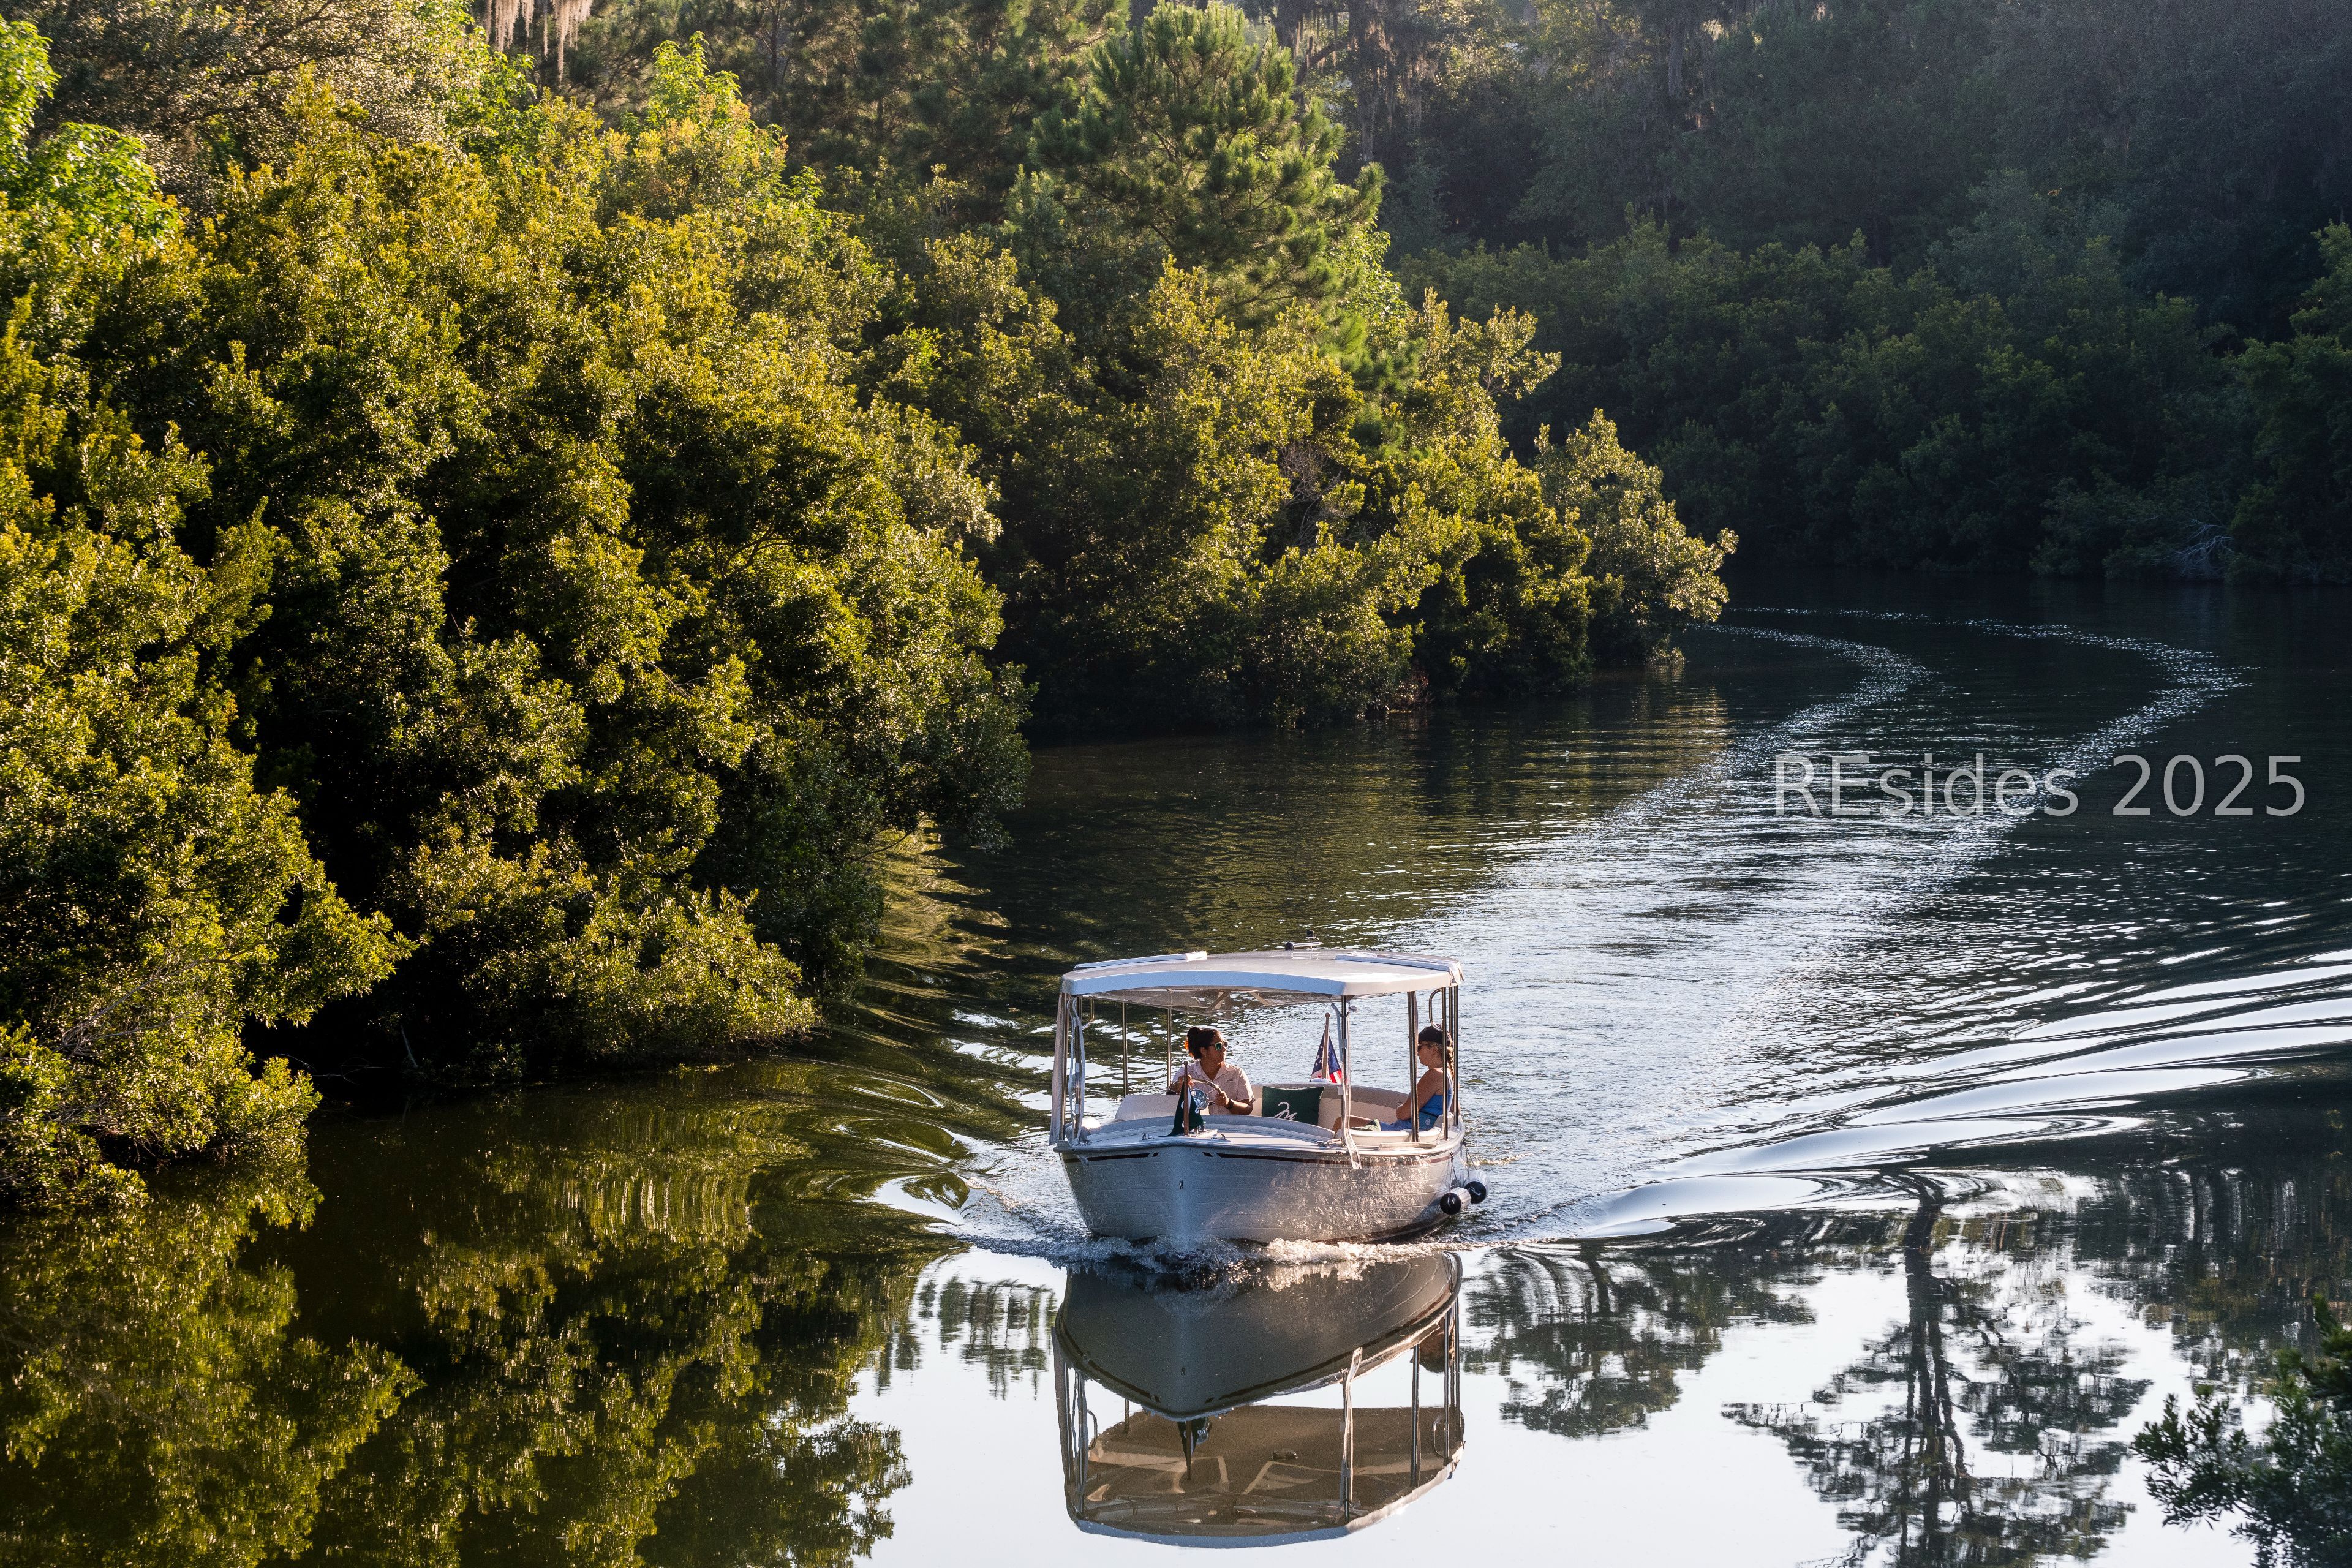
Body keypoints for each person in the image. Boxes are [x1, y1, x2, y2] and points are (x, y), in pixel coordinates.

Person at [1351, 1026, 1451, 1133]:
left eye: (1419, 1047)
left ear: (1434, 1050)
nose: (1417, 1053)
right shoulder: (1448, 1074)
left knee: (1344, 1121)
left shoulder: (1434, 1075)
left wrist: (1400, 1107)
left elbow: (1403, 1115)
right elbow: (1455, 1109)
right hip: (1415, 1132)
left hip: (1404, 1133)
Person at [1170, 1025, 1254, 1115]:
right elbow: (1171, 1092)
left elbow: (1248, 1109)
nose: (1224, 1049)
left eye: (1225, 1045)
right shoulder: (1187, 1071)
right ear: (1203, 1051)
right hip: (1198, 1128)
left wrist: (1228, 1103)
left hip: (1230, 1127)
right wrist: (1181, 1085)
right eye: (1219, 1046)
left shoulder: (1237, 1073)